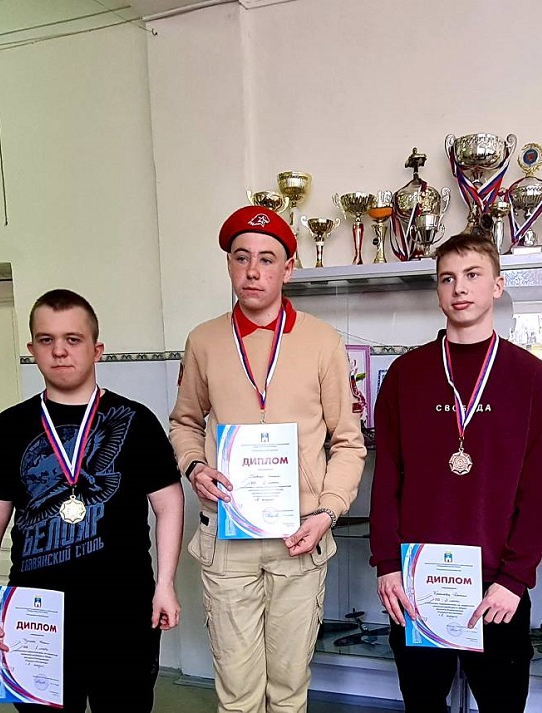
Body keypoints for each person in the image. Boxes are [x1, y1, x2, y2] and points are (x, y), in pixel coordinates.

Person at [169, 205, 366, 713]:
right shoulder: (204, 340)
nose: (253, 271)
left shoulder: (322, 341)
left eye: (266, 259)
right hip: (227, 537)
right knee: (238, 693)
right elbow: (184, 422)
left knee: (288, 687)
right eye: (242, 258)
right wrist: (194, 466)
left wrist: (328, 512)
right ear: (229, 265)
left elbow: (348, 441)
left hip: (298, 537)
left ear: (288, 268)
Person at [0, 289, 184, 712]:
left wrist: (165, 584)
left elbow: (168, 503)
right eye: (46, 340)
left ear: (97, 349)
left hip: (122, 609)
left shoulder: (135, 420)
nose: (59, 351)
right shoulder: (9, 427)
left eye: (73, 339)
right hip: (35, 613)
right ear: (32, 349)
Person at [369, 229, 542, 712]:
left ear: (497, 285)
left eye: (473, 275)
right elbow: (386, 478)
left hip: (497, 586)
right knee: (423, 705)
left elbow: (538, 490)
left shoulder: (529, 376)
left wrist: (515, 578)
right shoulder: (406, 374)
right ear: (437, 290)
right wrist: (387, 564)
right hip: (416, 582)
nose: (460, 288)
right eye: (447, 278)